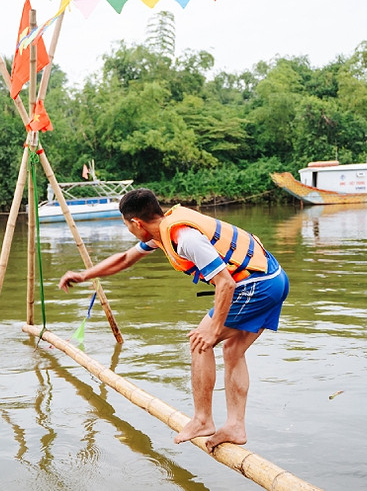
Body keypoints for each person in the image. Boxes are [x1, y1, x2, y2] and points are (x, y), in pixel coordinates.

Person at [59, 188, 289, 452]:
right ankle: (235, 426)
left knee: (200, 342)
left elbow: (225, 283)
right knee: (233, 350)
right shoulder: (161, 234)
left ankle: (202, 420)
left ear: (137, 223)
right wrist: (84, 275)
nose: (129, 231)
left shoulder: (185, 238)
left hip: (257, 285)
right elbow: (125, 259)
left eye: (127, 226)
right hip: (275, 279)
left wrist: (213, 330)